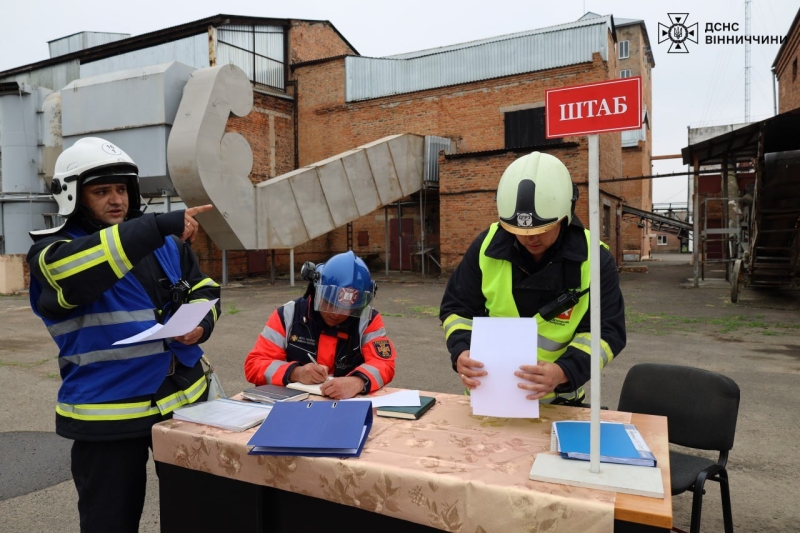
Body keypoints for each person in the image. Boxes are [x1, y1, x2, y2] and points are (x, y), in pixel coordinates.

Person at [27, 137, 221, 532]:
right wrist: (158, 225)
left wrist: (203, 323)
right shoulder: (52, 253)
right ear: (73, 197)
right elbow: (84, 268)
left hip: (185, 402)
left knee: (199, 513)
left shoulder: (164, 243)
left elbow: (205, 287)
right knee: (109, 522)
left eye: (121, 190)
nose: (116, 200)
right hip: (109, 415)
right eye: (101, 191)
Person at [439, 151, 625, 405]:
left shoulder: (595, 259)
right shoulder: (486, 247)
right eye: (517, 230)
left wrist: (563, 371)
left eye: (542, 229)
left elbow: (607, 332)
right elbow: (457, 309)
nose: (530, 239)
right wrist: (461, 351)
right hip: (491, 399)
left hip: (560, 401)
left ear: (564, 216)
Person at [244, 251, 395, 400]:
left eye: (347, 309)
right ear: (316, 290)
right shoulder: (287, 315)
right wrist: (295, 372)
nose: (336, 314)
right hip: (290, 407)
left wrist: (358, 382)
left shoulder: (368, 320)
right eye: (329, 303)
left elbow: (384, 364)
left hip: (344, 409)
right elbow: (254, 365)